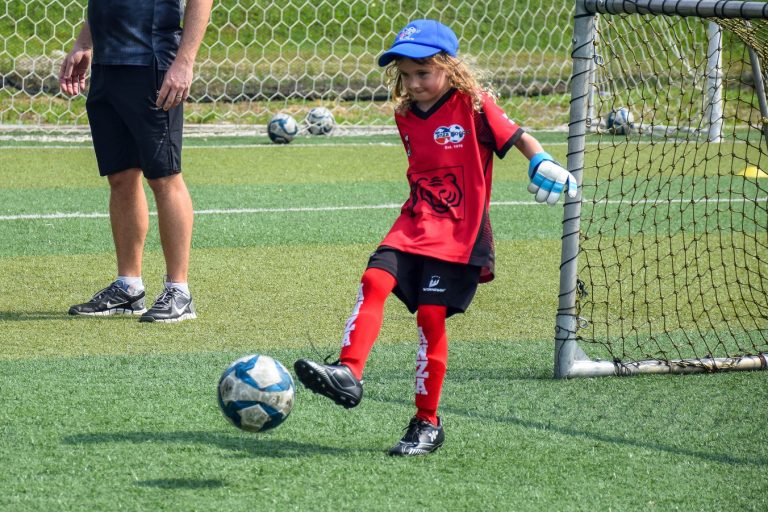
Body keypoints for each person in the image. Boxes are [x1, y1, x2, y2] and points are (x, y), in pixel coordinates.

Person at [293, 19, 577, 456]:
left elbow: (521, 138)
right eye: (405, 75)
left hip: (460, 233)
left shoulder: (475, 106)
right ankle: (349, 373)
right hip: (413, 222)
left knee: (430, 317)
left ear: (450, 67)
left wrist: (541, 161)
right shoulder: (404, 114)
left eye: (423, 73)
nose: (414, 83)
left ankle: (427, 423)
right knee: (373, 280)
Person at [58, 0, 213, 323]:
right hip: (107, 64)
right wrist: (85, 42)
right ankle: (128, 288)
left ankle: (179, 292)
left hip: (152, 62)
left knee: (164, 177)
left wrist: (184, 62)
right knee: (121, 176)